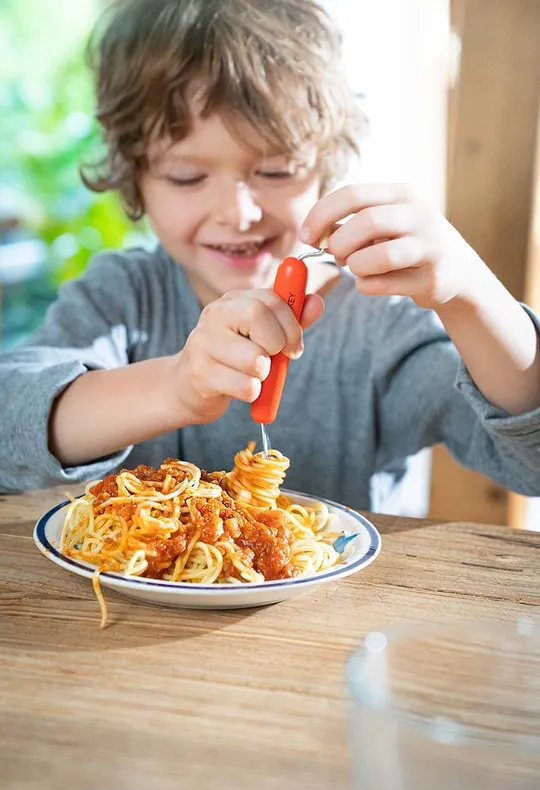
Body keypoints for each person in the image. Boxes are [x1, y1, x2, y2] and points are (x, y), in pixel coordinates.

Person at [1, 0, 540, 514]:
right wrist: (174, 388)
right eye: (188, 177)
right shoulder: (123, 298)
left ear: (324, 165)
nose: (238, 213)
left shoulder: (381, 326)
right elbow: (8, 427)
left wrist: (470, 293)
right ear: (136, 179)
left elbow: (533, 462)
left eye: (276, 171)